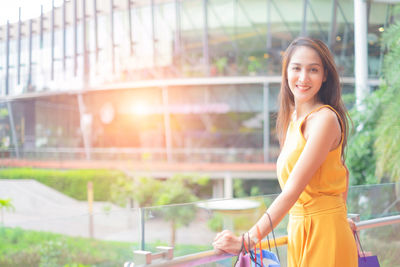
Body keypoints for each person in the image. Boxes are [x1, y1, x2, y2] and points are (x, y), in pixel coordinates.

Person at [212, 37, 358, 266]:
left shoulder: (325, 119)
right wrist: (340, 213)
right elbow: (343, 171)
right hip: (299, 230)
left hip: (327, 233)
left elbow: (292, 191)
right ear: (286, 72)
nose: (303, 78)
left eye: (313, 70)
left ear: (325, 75)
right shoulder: (292, 120)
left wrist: (248, 239)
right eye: (296, 68)